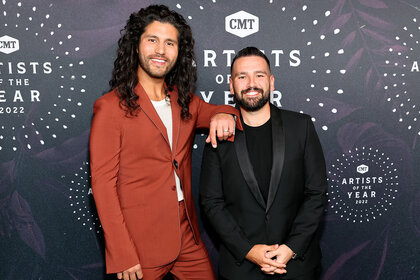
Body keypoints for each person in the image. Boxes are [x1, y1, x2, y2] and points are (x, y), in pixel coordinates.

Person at [89, 5, 240, 280]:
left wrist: (224, 113)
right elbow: (102, 185)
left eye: (170, 43)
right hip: (138, 242)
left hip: (186, 235)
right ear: (136, 46)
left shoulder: (184, 100)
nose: (161, 50)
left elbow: (220, 110)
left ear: (178, 51)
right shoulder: (110, 107)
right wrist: (122, 252)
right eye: (152, 40)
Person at [200, 47, 328, 280]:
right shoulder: (218, 134)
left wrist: (291, 248)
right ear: (231, 85)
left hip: (296, 266)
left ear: (271, 81)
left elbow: (316, 193)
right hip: (241, 269)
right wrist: (248, 251)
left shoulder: (301, 127)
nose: (251, 83)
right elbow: (211, 202)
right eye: (242, 77)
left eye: (259, 75)